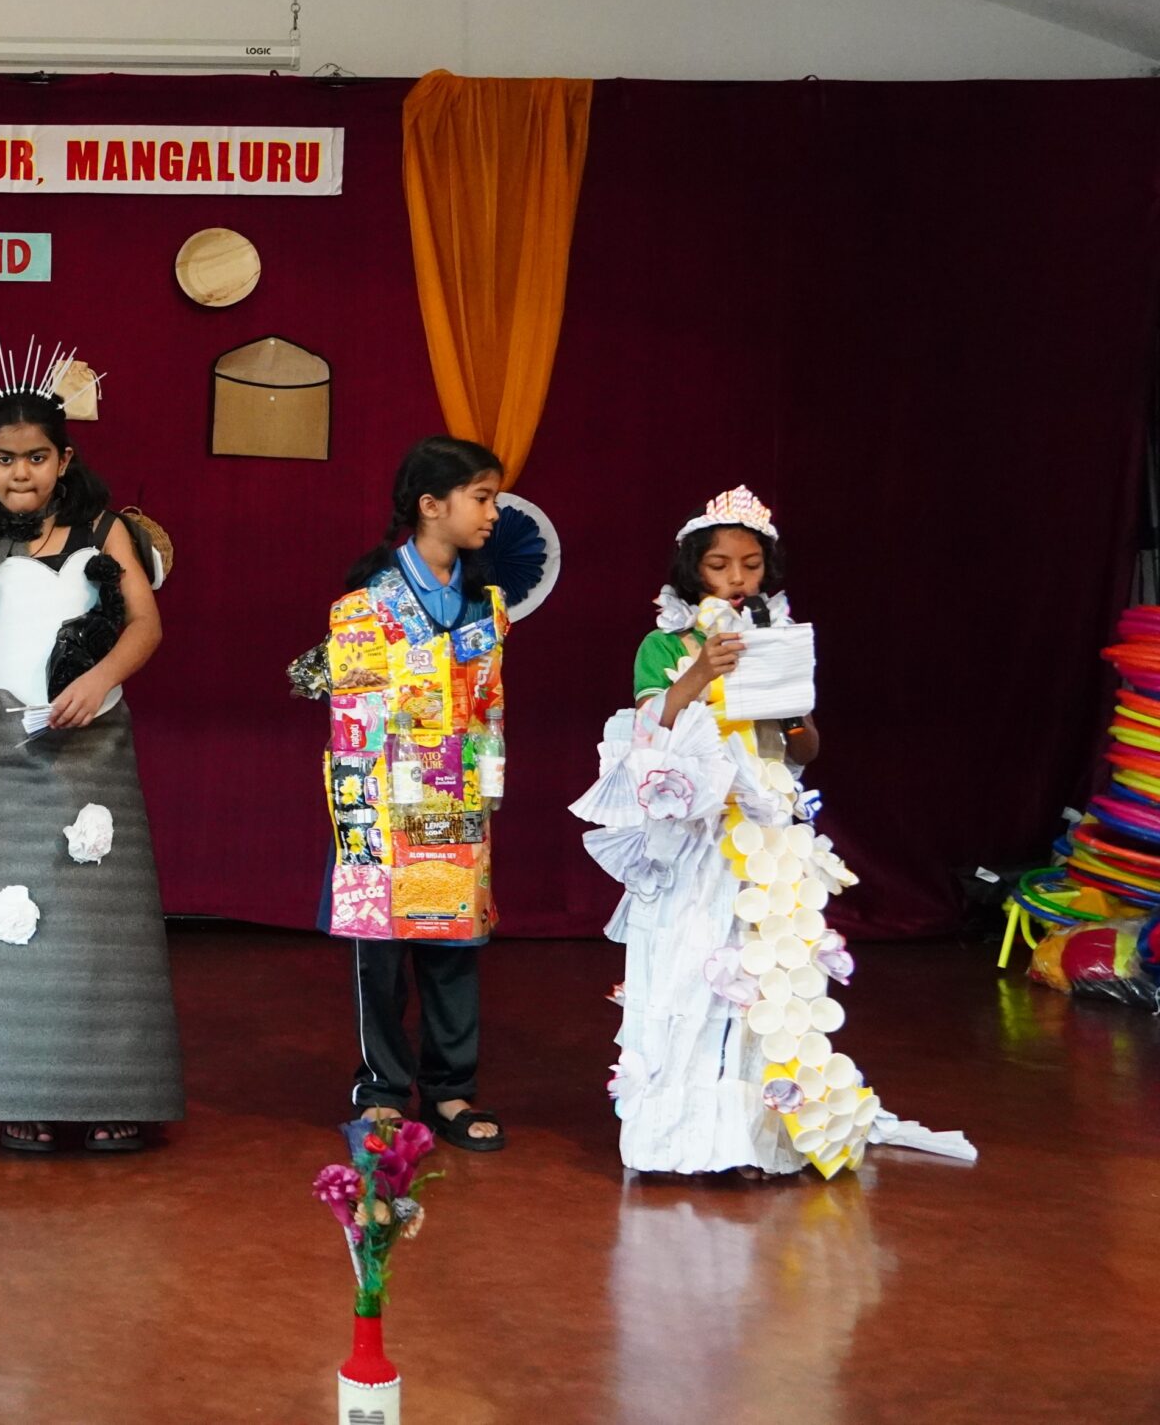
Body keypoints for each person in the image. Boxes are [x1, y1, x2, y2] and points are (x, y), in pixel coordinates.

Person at [573, 486, 970, 1177]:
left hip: (763, 832)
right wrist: (702, 670)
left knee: (759, 978)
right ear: (693, 569)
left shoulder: (778, 639)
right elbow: (650, 727)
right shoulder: (664, 644)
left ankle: (749, 1140)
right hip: (695, 833)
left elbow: (804, 747)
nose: (736, 579)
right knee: (690, 971)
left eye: (751, 566)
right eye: (720, 565)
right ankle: (672, 1141)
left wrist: (789, 708)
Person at [0, 345, 180, 1153]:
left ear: (63, 460)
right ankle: (13, 1093)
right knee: (6, 931)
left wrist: (99, 678)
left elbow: (146, 625)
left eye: (36, 457)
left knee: (97, 928)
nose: (21, 472)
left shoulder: (106, 530)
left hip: (89, 747)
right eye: (5, 458)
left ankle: (113, 1094)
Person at [292, 435, 509, 1152]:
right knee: (381, 956)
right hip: (383, 802)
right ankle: (382, 1091)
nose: (493, 513)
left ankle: (449, 1090)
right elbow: (351, 721)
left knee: (454, 950)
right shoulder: (365, 606)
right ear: (431, 505)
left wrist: (489, 785)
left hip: (458, 798)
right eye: (482, 498)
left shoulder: (486, 606)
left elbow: (491, 706)